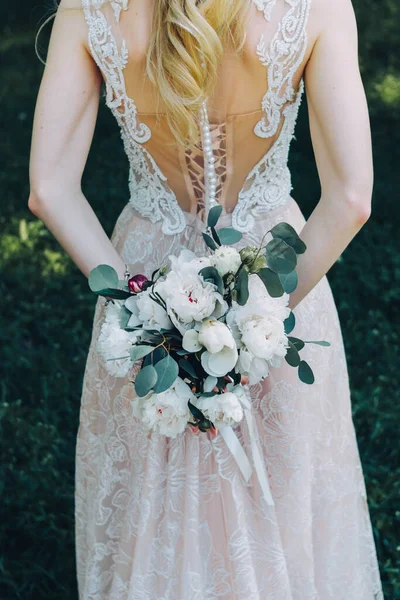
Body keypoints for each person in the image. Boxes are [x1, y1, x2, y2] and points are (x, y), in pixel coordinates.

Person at [28, 0, 384, 597]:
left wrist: (141, 310)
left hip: (143, 276)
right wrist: (255, 318)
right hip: (278, 276)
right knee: (286, 493)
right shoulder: (319, 6)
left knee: (149, 497)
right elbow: (351, 199)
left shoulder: (88, 10)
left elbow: (49, 189)